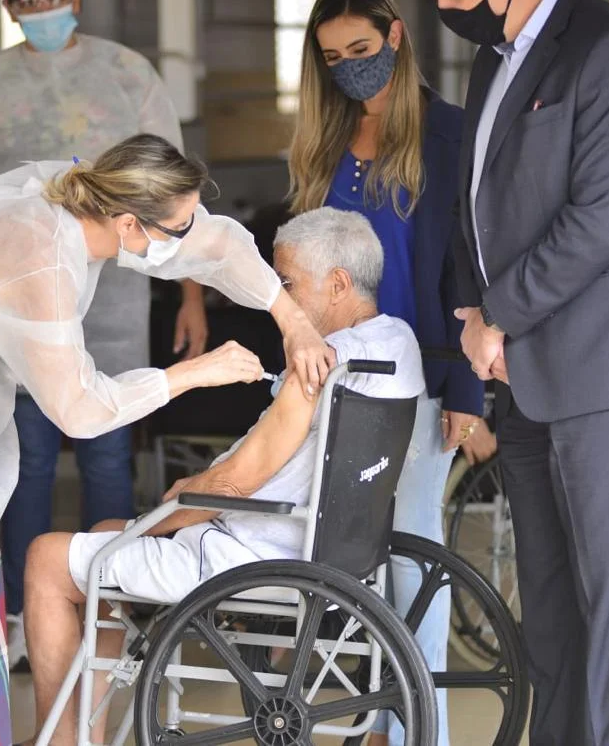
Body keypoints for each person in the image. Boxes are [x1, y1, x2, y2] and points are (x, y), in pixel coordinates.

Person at [0, 134, 333, 746]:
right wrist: (192, 373)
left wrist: (291, 320)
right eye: (176, 228)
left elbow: (213, 245)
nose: (187, 239)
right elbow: (79, 409)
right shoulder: (38, 248)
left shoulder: (94, 198)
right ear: (131, 224)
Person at [425, 0, 609, 743]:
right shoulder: (492, 60)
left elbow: (602, 217)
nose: (438, 1)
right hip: (518, 373)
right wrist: (473, 319)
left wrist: (499, 317)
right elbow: (475, 203)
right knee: (548, 609)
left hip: (602, 365)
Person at [22, 207, 425, 746]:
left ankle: (59, 741)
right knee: (103, 535)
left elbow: (235, 485)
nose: (277, 297)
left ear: (338, 284)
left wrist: (162, 515)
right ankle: (81, 736)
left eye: (287, 282)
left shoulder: (320, 363)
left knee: (47, 559)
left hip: (253, 552)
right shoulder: (397, 344)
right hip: (330, 551)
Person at [0, 0, 209, 670]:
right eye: (26, 1)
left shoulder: (128, 74)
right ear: (9, 8)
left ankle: (109, 611)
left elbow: (175, 197)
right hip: (16, 306)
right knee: (24, 462)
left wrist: (193, 293)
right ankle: (26, 615)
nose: (41, 9)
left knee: (109, 455)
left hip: (113, 299)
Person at [289, 0, 494, 745]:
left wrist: (468, 389)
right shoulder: (323, 140)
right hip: (335, 379)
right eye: (334, 56)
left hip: (422, 378)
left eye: (363, 50)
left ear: (397, 35)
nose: (350, 67)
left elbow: (470, 269)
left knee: (413, 554)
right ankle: (374, 719)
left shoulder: (450, 135)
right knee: (349, 561)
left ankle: (420, 731)